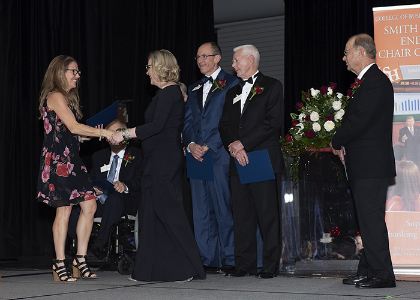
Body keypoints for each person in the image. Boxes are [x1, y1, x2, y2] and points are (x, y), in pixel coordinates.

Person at [110, 49, 205, 282]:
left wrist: (124, 133)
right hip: (158, 159)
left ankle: (187, 267)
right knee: (152, 213)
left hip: (164, 160)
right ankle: (151, 269)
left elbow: (155, 126)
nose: (147, 71)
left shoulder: (169, 93)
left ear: (161, 67)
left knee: (168, 213)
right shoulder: (166, 93)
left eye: (149, 66)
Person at [36, 55, 114, 281]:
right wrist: (104, 133)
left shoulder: (68, 100)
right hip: (58, 162)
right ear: (60, 72)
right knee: (65, 209)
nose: (77, 76)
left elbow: (69, 134)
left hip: (71, 160)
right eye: (73, 71)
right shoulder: (55, 96)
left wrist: (85, 137)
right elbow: (71, 126)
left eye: (78, 72)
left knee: (89, 205)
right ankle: (59, 263)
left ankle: (80, 259)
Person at [331, 34, 396, 288]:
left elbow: (359, 121)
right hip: (365, 164)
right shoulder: (367, 81)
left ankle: (383, 275)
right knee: (367, 220)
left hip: (371, 164)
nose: (344, 57)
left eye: (347, 52)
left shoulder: (376, 81)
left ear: (361, 52)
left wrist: (337, 140)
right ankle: (368, 269)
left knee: (371, 219)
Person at [218, 44, 284, 279]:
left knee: (267, 215)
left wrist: (242, 143)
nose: (233, 65)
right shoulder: (231, 92)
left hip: (261, 157)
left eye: (236, 61)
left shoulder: (272, 86)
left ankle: (269, 266)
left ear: (250, 60)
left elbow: (272, 122)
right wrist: (235, 147)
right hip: (239, 158)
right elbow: (223, 125)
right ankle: (243, 264)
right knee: (242, 215)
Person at [183, 42, 238, 274]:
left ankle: (230, 258)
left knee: (224, 208)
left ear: (218, 58)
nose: (200, 60)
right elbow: (186, 122)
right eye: (197, 57)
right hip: (196, 156)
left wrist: (210, 144)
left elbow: (231, 120)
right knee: (201, 211)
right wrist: (191, 144)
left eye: (204, 56)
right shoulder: (194, 87)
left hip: (219, 154)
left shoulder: (232, 83)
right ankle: (206, 259)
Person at [68, 119, 143, 260]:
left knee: (114, 199)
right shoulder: (99, 156)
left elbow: (140, 179)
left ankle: (99, 246)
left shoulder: (137, 154)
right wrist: (93, 189)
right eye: (111, 133)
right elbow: (91, 179)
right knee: (80, 204)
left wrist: (125, 185)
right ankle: (74, 246)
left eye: (119, 132)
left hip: (127, 201)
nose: (115, 135)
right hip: (102, 201)